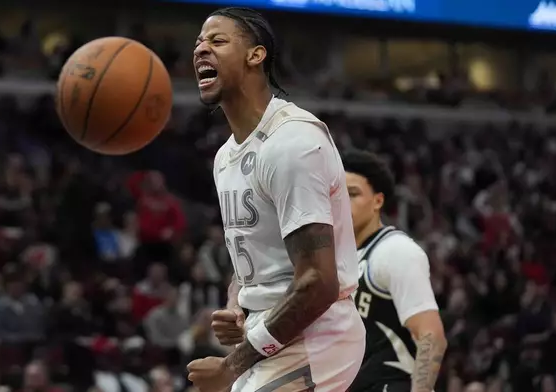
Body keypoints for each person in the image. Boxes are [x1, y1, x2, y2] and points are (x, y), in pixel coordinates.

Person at [186, 7, 365, 392]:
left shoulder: (293, 143)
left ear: (256, 55)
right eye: (199, 42)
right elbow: (252, 258)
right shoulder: (225, 157)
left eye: (217, 41)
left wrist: (230, 366)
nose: (201, 49)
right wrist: (237, 302)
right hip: (269, 331)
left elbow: (318, 283)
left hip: (318, 334)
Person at [342, 149, 447, 392]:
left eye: (353, 194)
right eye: (337, 195)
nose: (342, 204)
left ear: (378, 201)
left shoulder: (395, 251)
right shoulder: (337, 257)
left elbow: (431, 335)